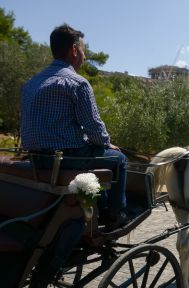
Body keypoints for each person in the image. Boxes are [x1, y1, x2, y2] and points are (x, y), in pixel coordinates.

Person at [20, 24, 128, 228]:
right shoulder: (77, 83)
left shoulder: (31, 84)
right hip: (66, 159)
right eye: (84, 50)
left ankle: (100, 203)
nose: (85, 56)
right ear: (74, 50)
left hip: (37, 159)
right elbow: (95, 129)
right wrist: (107, 143)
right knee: (120, 159)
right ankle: (115, 215)